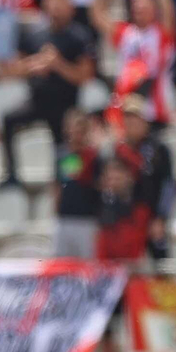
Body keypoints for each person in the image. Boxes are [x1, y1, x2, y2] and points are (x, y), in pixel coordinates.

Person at [1, 0, 95, 185]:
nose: (55, 8)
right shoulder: (34, 34)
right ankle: (11, 176)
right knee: (8, 120)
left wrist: (58, 65)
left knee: (70, 138)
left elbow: (85, 76)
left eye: (60, 3)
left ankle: (68, 182)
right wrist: (36, 65)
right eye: (52, 2)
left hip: (66, 105)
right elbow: (14, 69)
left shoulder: (79, 37)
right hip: (38, 100)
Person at [98, 0, 176, 125]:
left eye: (144, 7)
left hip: (155, 110)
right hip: (127, 109)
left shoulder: (161, 34)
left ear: (153, 10)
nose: (139, 11)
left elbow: (169, 12)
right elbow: (98, 17)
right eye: (136, 7)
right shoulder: (126, 33)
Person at [115, 94, 175, 255]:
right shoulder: (118, 150)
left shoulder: (159, 149)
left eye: (135, 117)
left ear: (145, 120)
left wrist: (160, 217)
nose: (131, 122)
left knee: (159, 266)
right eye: (127, 117)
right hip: (126, 219)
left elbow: (168, 185)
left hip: (151, 219)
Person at [53, 109, 103, 258]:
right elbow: (57, 184)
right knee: (61, 263)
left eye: (82, 127)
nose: (78, 132)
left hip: (87, 219)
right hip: (64, 218)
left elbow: (98, 184)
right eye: (74, 127)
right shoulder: (61, 154)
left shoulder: (94, 157)